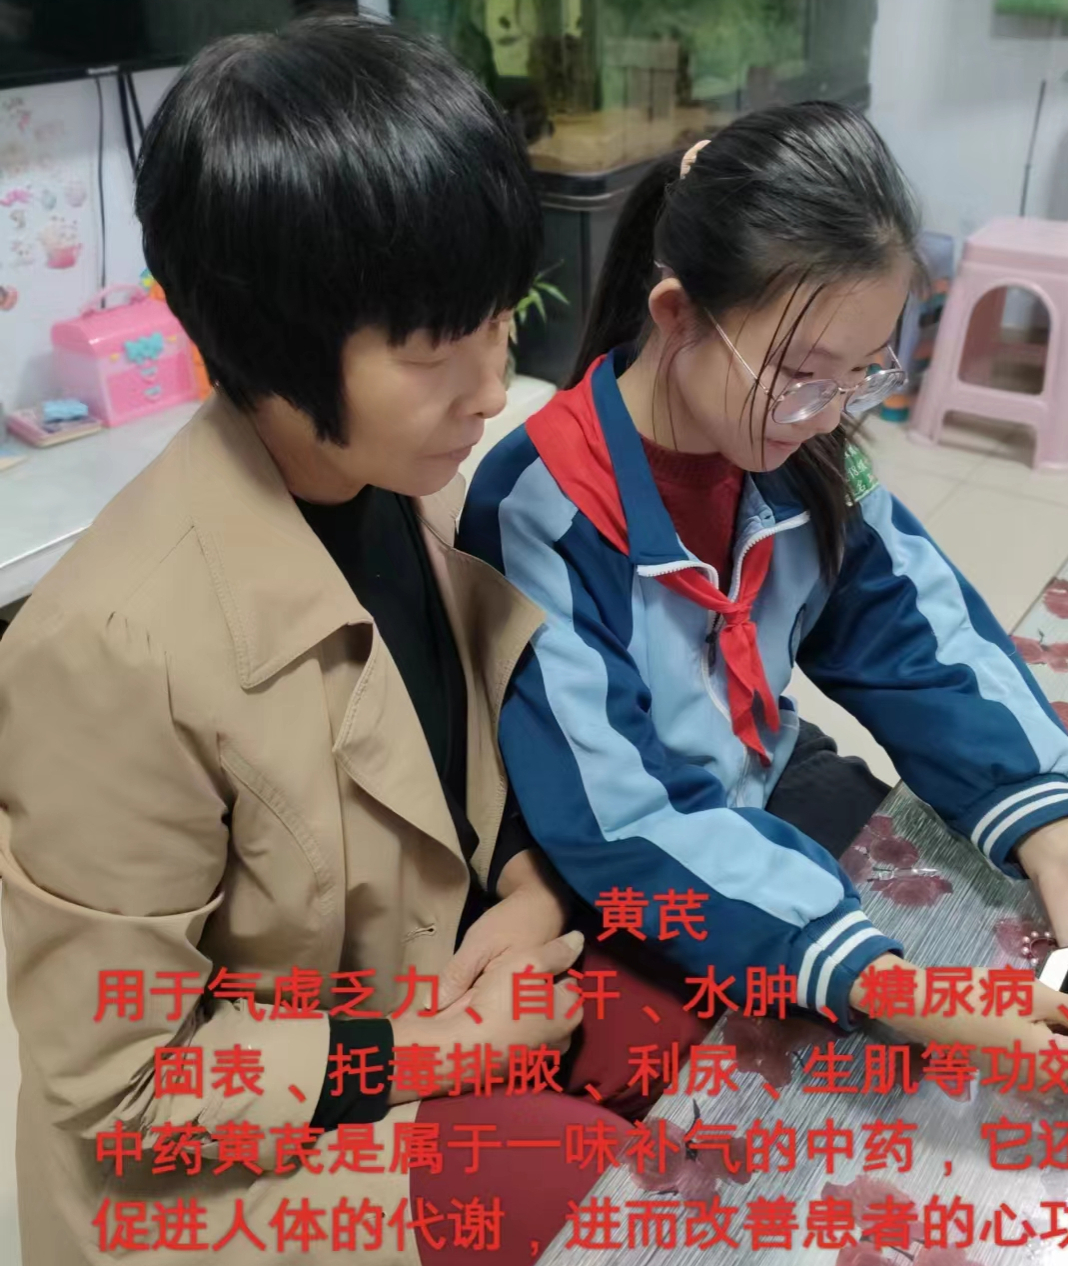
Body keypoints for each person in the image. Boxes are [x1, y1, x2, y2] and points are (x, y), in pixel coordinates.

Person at [0, 19, 703, 1266]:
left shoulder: (416, 488)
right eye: (434, 352)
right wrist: (445, 1049)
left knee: (697, 1003)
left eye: (498, 322)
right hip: (209, 1165)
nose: (488, 388)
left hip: (436, 991)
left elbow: (482, 777)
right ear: (266, 346)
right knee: (588, 1183)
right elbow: (126, 1091)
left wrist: (530, 891)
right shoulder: (108, 651)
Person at [460, 101, 1068, 1075]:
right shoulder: (542, 507)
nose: (824, 414)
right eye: (802, 374)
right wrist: (901, 992)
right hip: (615, 860)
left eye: (861, 373)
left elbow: (914, 632)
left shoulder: (799, 451)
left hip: (762, 777)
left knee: (974, 915)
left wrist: (1054, 838)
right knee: (691, 1069)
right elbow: (626, 816)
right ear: (677, 316)